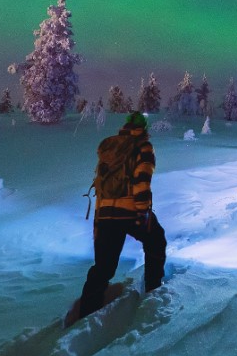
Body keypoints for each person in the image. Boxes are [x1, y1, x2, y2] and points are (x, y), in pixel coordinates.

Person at [65, 111, 167, 327]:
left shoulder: (112, 148)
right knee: (156, 240)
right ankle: (153, 290)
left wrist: (98, 220)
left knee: (103, 266)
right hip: (130, 211)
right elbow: (142, 181)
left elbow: (101, 185)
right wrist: (143, 212)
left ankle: (86, 313)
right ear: (144, 128)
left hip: (105, 214)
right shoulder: (143, 147)